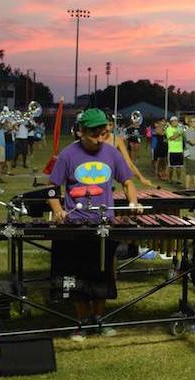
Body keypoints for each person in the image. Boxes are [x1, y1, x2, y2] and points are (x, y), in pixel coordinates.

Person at [48, 108, 139, 342]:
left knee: (103, 275)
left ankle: (98, 319)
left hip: (104, 224)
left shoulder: (111, 153)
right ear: (81, 131)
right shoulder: (68, 155)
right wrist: (58, 210)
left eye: (103, 134)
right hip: (76, 226)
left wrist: (133, 201)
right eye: (95, 135)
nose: (100, 139)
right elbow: (52, 188)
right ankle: (81, 322)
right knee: (77, 276)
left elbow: (127, 181)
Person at [103, 117, 154, 188]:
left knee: (128, 183)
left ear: (114, 125)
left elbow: (129, 163)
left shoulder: (117, 140)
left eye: (110, 125)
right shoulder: (94, 139)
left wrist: (141, 178)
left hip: (109, 177)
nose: (107, 128)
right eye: (105, 125)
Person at [165, 117, 184, 184]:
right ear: (171, 122)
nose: (176, 122)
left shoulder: (180, 128)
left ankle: (178, 179)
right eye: (174, 121)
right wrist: (179, 133)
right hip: (172, 150)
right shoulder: (168, 129)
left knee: (179, 166)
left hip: (180, 150)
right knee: (171, 167)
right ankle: (170, 179)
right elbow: (172, 138)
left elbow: (185, 137)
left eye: (176, 121)